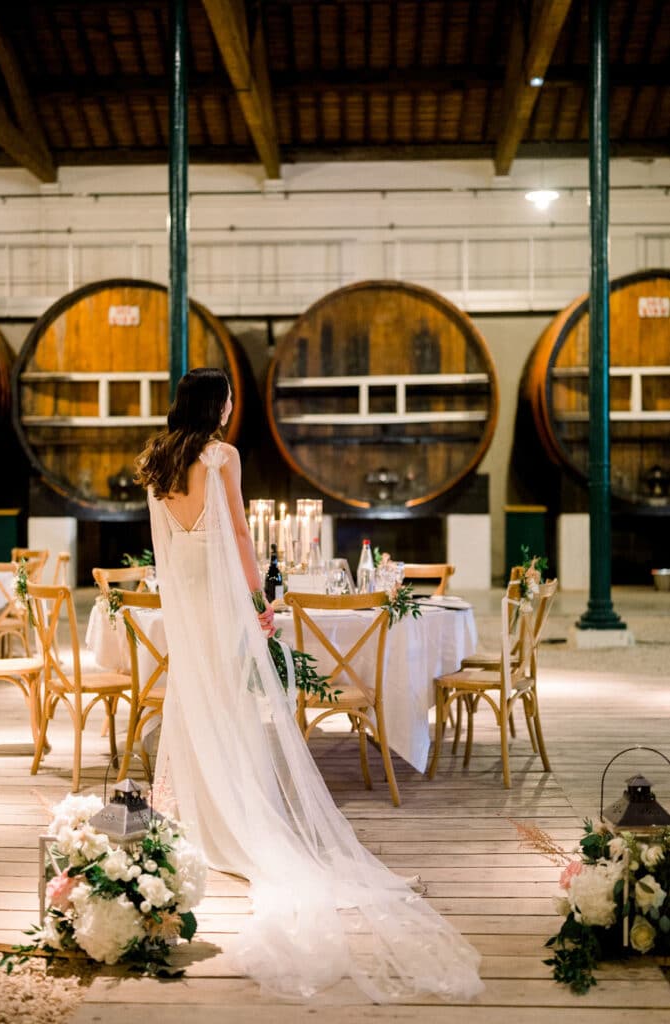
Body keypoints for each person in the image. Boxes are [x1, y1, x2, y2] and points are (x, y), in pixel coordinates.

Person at [136, 367, 483, 1004]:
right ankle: (236, 817)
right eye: (231, 400)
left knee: (197, 704)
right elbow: (240, 532)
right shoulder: (222, 457)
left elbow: (165, 549)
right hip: (220, 603)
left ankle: (198, 817)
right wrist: (257, 599)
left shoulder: (157, 464)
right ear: (217, 406)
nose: (234, 408)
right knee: (233, 708)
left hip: (185, 602)